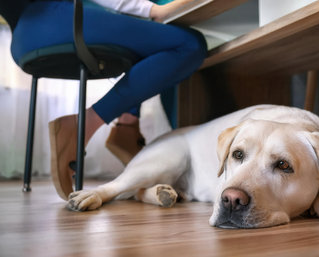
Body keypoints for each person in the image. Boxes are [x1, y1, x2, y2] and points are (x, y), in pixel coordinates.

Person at [10, 0, 207, 200]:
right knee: (189, 44)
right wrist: (152, 9)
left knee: (153, 42)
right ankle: (83, 125)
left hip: (22, 37)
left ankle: (127, 126)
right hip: (56, 20)